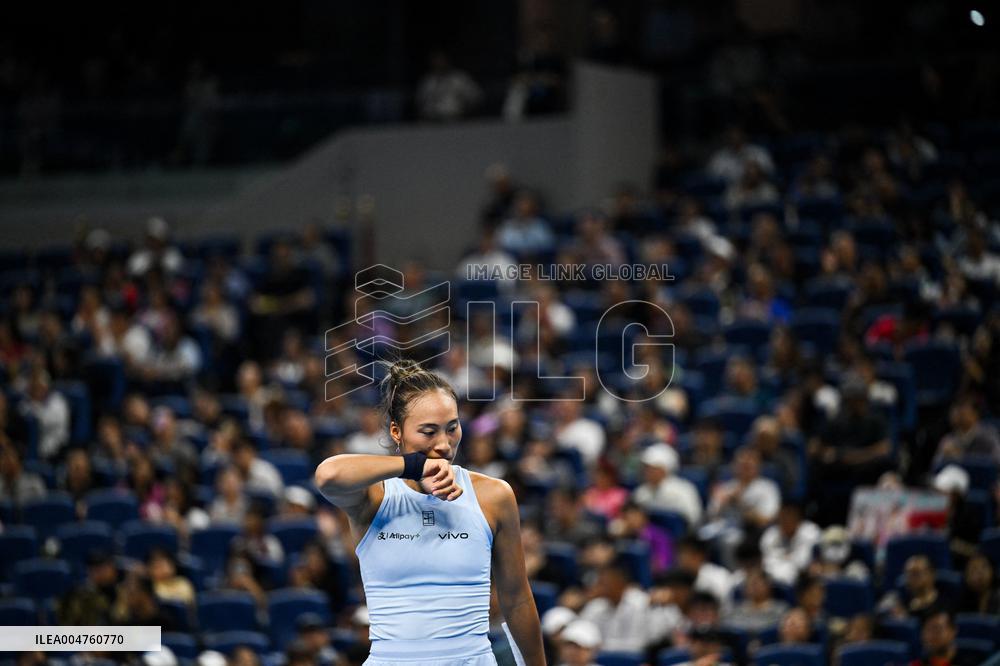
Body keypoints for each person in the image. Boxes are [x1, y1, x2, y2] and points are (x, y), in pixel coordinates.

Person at [314, 359, 545, 665]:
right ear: (396, 431)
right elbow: (328, 475)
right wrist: (414, 465)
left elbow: (517, 599)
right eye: (428, 432)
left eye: (452, 428)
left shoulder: (493, 496)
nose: (444, 445)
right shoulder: (376, 496)